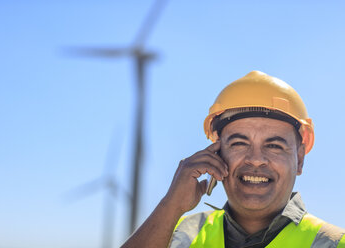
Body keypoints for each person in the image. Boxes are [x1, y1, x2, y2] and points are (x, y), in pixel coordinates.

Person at [121, 71, 345, 248]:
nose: (256, 160)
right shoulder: (178, 234)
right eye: (239, 143)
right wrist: (171, 205)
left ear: (299, 159)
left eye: (274, 145)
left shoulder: (334, 243)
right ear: (216, 154)